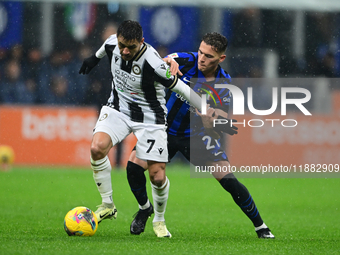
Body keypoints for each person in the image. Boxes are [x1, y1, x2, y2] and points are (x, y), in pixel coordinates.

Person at [127, 32, 275, 239]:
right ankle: (144, 209)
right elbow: (163, 61)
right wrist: (167, 62)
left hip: (194, 136)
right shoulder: (189, 60)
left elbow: (220, 122)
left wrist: (210, 120)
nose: (202, 59)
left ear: (221, 59)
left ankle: (261, 227)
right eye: (200, 52)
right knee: (134, 168)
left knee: (229, 180)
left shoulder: (223, 82)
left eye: (208, 56)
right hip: (164, 130)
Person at [78, 20, 202, 224]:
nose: (125, 51)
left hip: (150, 118)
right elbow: (105, 47)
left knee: (157, 176)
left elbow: (181, 88)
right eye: (122, 46)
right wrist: (93, 58)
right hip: (118, 108)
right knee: (97, 148)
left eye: (131, 47)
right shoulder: (112, 42)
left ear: (142, 42)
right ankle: (107, 205)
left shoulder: (154, 64)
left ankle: (159, 220)